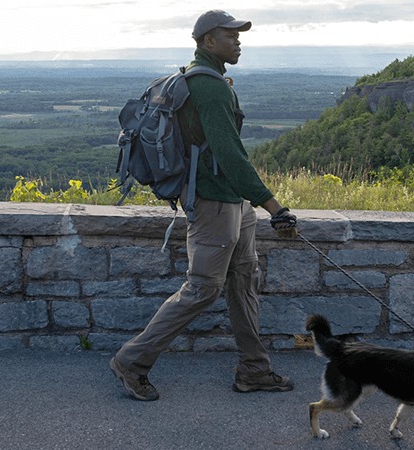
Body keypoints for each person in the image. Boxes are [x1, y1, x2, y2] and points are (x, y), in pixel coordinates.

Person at [109, 9, 299, 401]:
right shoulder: (209, 87)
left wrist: (251, 202)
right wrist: (274, 208)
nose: (238, 40)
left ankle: (254, 370)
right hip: (214, 202)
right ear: (208, 41)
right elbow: (230, 154)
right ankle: (132, 361)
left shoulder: (209, 80)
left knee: (245, 279)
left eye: (238, 34)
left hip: (233, 202)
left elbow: (224, 152)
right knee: (202, 290)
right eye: (230, 35)